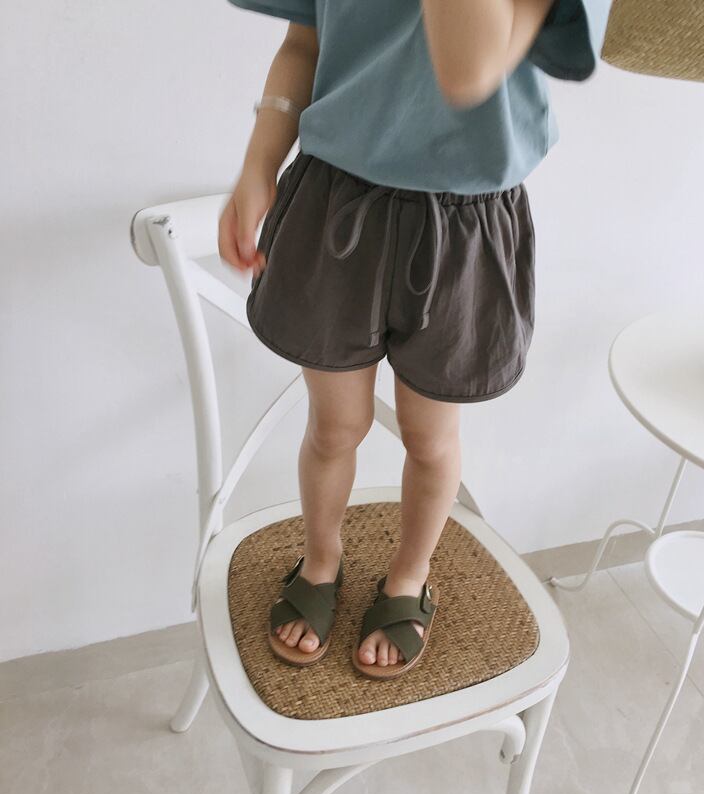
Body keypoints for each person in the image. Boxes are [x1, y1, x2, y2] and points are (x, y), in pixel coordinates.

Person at [218, 0, 609, 679]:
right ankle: (321, 560)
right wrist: (258, 163)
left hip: (466, 219)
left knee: (431, 438)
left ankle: (409, 576)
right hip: (337, 197)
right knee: (334, 427)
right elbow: (305, 42)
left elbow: (472, 69)